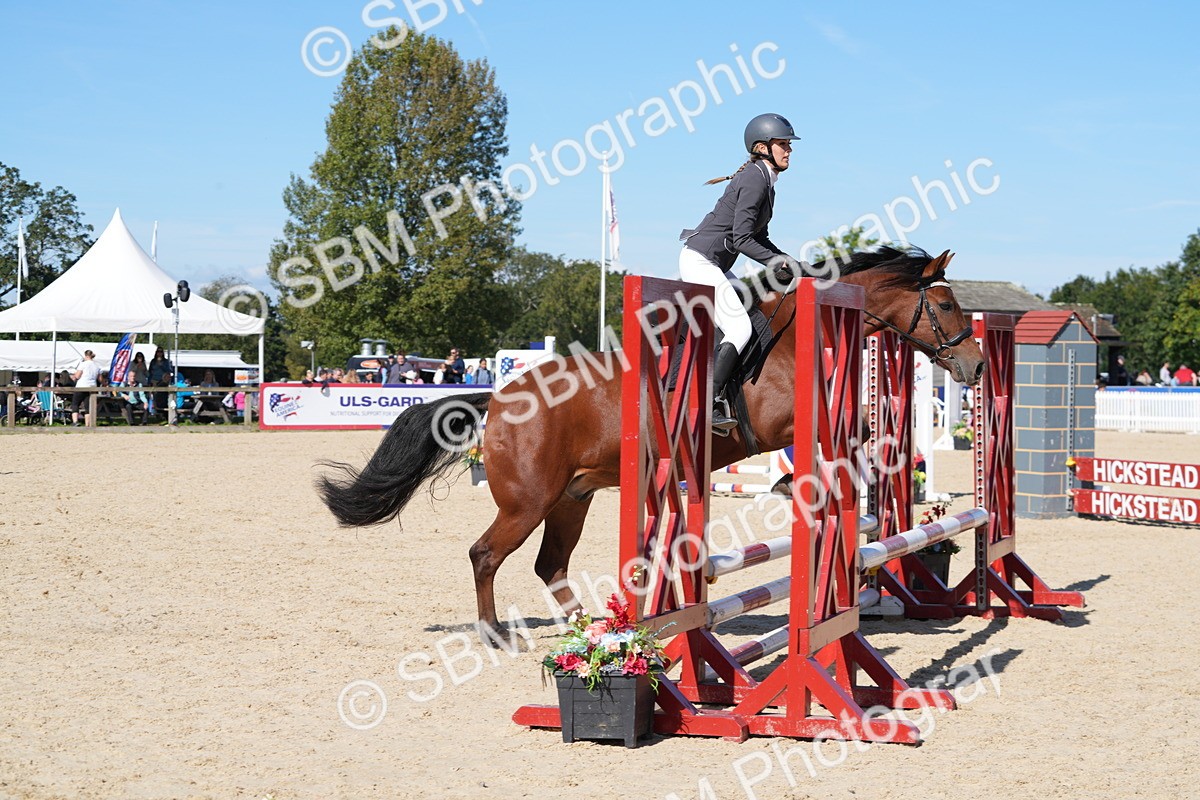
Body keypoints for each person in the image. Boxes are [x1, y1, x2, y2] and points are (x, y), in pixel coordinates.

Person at [678, 113, 803, 433]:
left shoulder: (765, 181)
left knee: (748, 315)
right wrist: (776, 263)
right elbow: (741, 239)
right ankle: (707, 403)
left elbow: (758, 237)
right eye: (783, 144)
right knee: (739, 328)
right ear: (762, 147)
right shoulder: (753, 178)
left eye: (789, 144)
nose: (789, 150)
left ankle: (725, 390)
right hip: (700, 261)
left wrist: (785, 258)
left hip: (714, 263)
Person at [70, 349, 102, 426]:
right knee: (88, 406)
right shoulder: (97, 365)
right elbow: (100, 379)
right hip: (92, 387)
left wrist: (73, 376)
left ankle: (75, 421)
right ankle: (88, 424)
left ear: (86, 356)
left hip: (81, 386)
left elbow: (77, 376)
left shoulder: (83, 364)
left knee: (75, 404)